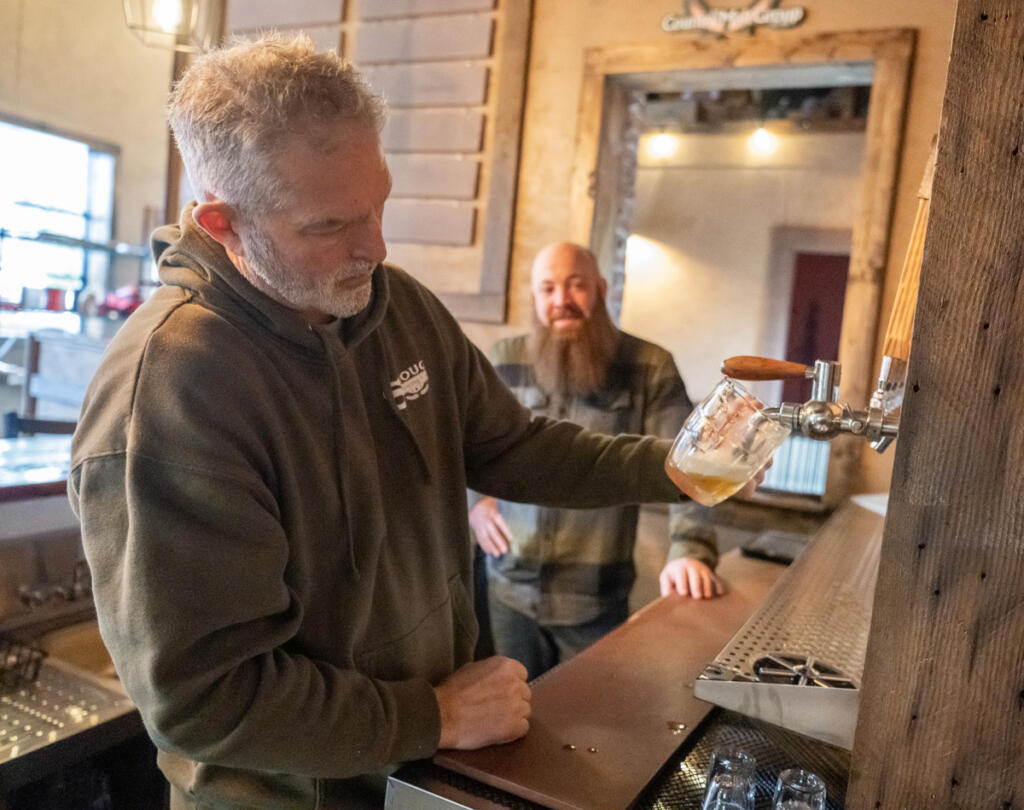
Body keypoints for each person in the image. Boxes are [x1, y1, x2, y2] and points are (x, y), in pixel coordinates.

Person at [65, 34, 752, 810]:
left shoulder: (394, 307)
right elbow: (207, 700)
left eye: (379, 205)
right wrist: (434, 714)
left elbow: (512, 446)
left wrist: (667, 466)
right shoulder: (172, 391)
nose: (375, 246)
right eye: (329, 226)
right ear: (222, 224)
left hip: (420, 770)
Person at [469, 243, 720, 680]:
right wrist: (477, 502)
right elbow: (469, 443)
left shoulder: (649, 367)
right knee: (509, 725)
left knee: (584, 734)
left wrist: (689, 551)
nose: (560, 300)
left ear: (601, 289)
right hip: (506, 590)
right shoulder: (504, 360)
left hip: (594, 598)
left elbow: (691, 460)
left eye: (575, 285)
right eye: (547, 289)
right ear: (535, 299)